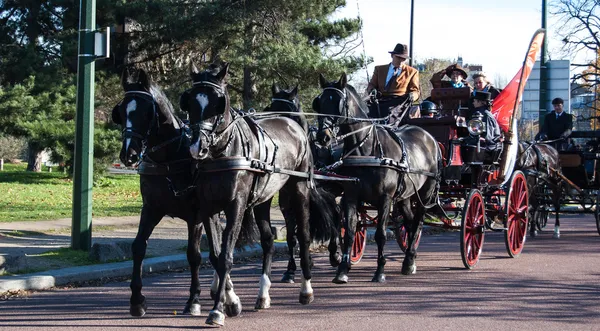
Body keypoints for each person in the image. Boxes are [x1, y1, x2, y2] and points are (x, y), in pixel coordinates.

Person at [366, 43, 420, 119]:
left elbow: (416, 91)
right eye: (398, 57)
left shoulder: (412, 72)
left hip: (398, 103)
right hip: (379, 100)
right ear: (392, 56)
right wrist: (372, 90)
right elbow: (371, 85)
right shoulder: (379, 69)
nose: (401, 60)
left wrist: (412, 95)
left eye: (403, 59)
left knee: (389, 114)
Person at [465, 91, 502, 158]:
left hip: (489, 147)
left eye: (475, 101)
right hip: (484, 144)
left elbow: (488, 136)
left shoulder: (485, 115)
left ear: (480, 102)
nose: (473, 103)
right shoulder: (481, 113)